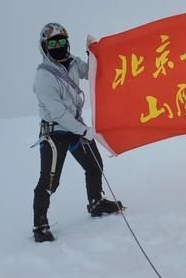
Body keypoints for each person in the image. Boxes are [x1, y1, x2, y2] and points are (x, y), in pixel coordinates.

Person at [32, 23, 124, 242]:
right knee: (50, 180)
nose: (58, 46)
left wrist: (93, 52)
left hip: (75, 127)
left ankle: (96, 202)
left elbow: (92, 71)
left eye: (62, 42)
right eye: (53, 43)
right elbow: (58, 114)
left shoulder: (73, 63)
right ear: (45, 46)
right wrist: (84, 130)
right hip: (55, 132)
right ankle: (40, 225)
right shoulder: (44, 77)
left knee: (94, 165)